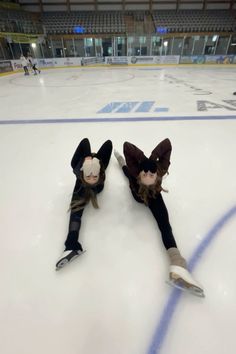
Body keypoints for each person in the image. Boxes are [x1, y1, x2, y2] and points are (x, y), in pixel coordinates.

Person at [114, 139, 204, 297]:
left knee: (165, 225)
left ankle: (177, 264)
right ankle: (119, 158)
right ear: (140, 173)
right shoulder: (136, 174)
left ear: (157, 173)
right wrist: (143, 160)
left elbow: (167, 143)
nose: (148, 177)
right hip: (138, 195)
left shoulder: (159, 170)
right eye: (145, 174)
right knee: (126, 170)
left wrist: (152, 158)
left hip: (154, 196)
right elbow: (127, 145)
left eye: (151, 174)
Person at [56, 138, 113, 270]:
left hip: (95, 189)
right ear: (82, 173)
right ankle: (71, 245)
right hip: (82, 188)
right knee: (76, 214)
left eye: (95, 176)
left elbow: (108, 143)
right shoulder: (77, 167)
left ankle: (71, 244)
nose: (92, 180)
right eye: (88, 176)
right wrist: (89, 157)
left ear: (99, 173)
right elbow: (85, 141)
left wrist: (93, 158)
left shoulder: (100, 164)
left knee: (77, 212)